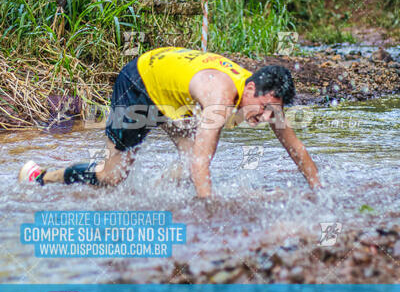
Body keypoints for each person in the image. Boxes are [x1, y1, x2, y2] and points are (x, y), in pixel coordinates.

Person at [19, 47, 321, 196]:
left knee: (190, 160)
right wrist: (210, 213)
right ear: (252, 90)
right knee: (112, 177)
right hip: (139, 83)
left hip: (174, 93)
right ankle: (42, 176)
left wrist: (318, 191)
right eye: (266, 109)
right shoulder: (220, 96)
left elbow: (296, 149)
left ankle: (152, 195)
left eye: (273, 113)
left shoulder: (261, 93)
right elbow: (203, 164)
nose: (267, 118)